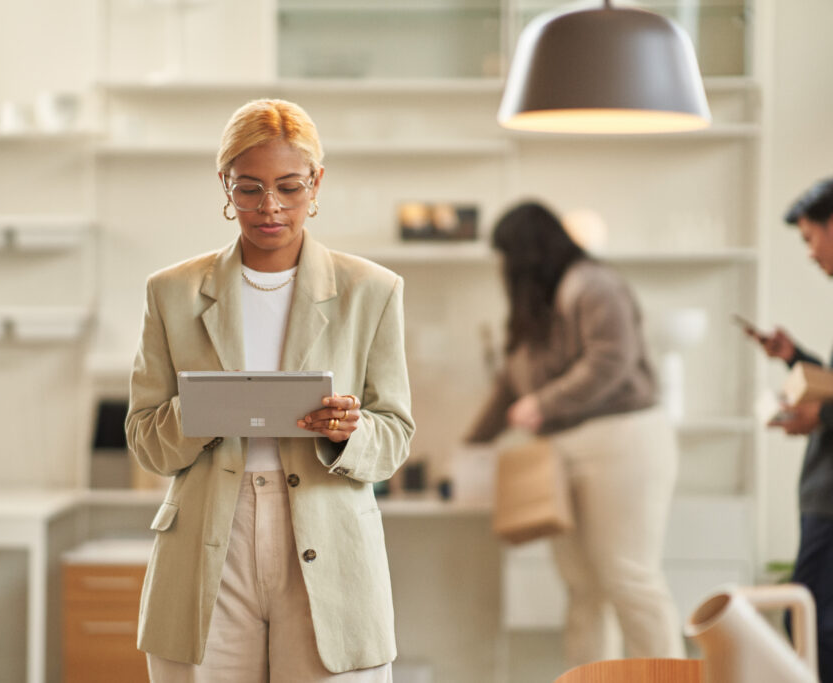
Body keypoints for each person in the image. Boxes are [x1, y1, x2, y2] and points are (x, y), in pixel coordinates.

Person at [125, 98, 415, 682]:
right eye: (249, 188)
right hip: (210, 537)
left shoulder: (372, 291)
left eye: (289, 187)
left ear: (317, 183)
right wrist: (200, 413)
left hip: (327, 537)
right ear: (225, 186)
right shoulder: (172, 293)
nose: (270, 207)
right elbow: (145, 439)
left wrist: (349, 430)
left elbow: (396, 435)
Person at [467, 200, 685, 666]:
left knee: (628, 578)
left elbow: (611, 360)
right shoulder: (538, 307)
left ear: (525, 254)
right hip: (563, 452)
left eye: (507, 256)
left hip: (622, 441)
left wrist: (543, 404)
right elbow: (510, 386)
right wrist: (469, 448)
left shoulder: (593, 285)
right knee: (584, 587)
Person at [746, 176, 833, 682]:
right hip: (821, 494)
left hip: (829, 500)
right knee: (808, 621)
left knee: (811, 624)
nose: (809, 253)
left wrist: (818, 416)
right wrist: (796, 358)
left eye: (809, 238)